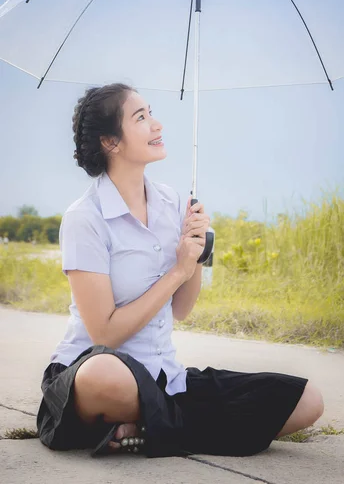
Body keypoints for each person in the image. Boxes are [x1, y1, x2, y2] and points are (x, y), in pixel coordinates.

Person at [36, 83, 324, 458]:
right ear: (111, 142)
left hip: (165, 379)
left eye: (151, 113)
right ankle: (165, 425)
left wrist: (198, 251)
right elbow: (104, 332)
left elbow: (181, 311)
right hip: (96, 373)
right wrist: (177, 271)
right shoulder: (85, 218)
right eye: (141, 117)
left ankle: (143, 427)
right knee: (102, 374)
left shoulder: (174, 203)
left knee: (305, 401)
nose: (156, 125)